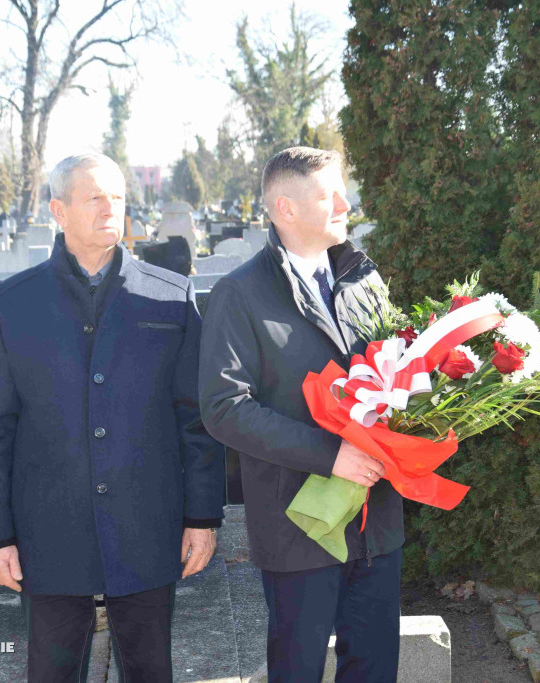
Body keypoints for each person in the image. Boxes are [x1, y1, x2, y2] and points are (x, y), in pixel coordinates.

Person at [0, 153, 225, 682]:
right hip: (48, 530)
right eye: (95, 198)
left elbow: (196, 420)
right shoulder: (12, 303)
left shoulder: (170, 296)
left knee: (150, 670)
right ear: (58, 210)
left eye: (118, 197)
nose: (111, 209)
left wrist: (202, 517)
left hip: (146, 526)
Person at [199, 147, 401, 682]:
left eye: (343, 192)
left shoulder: (364, 278)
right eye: (328, 196)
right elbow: (223, 407)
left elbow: (395, 376)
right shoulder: (239, 293)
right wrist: (331, 455)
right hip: (297, 525)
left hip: (375, 520)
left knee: (375, 668)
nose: (345, 205)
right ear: (285, 208)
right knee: (298, 670)